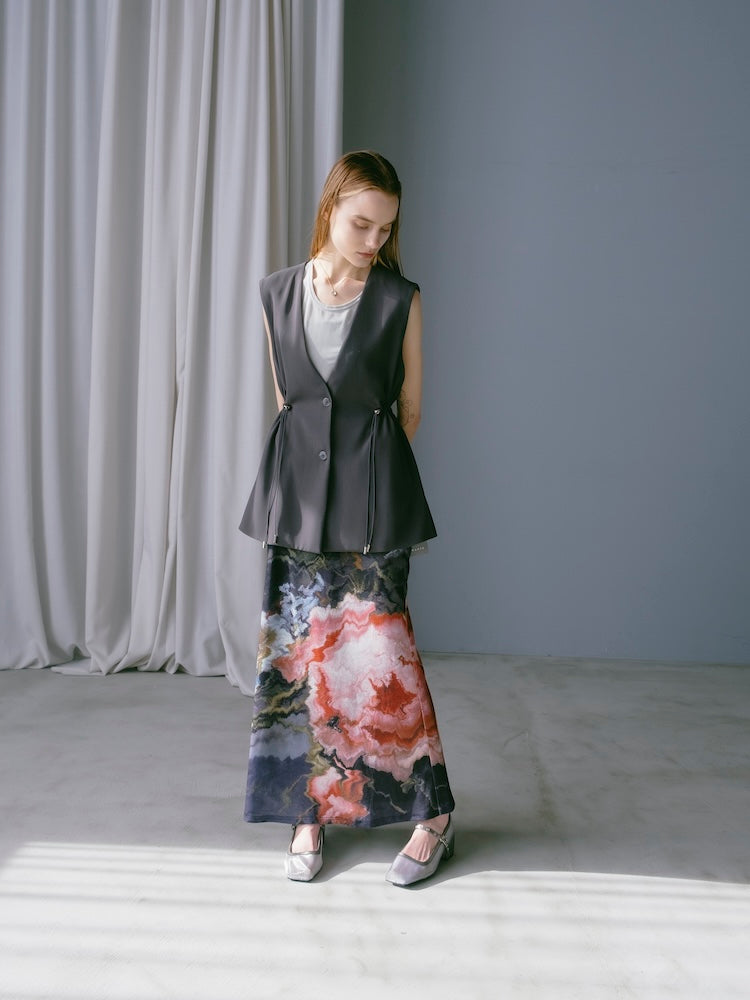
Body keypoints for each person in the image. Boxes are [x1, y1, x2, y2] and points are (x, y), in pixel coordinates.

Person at [239, 150, 455, 886]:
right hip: (295, 498)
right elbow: (289, 403)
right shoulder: (276, 294)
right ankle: (308, 812)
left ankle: (433, 815)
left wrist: (367, 480)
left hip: (374, 498)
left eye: (385, 228)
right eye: (361, 223)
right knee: (300, 657)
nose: (373, 240)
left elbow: (410, 408)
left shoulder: (400, 299)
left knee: (383, 655)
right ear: (330, 209)